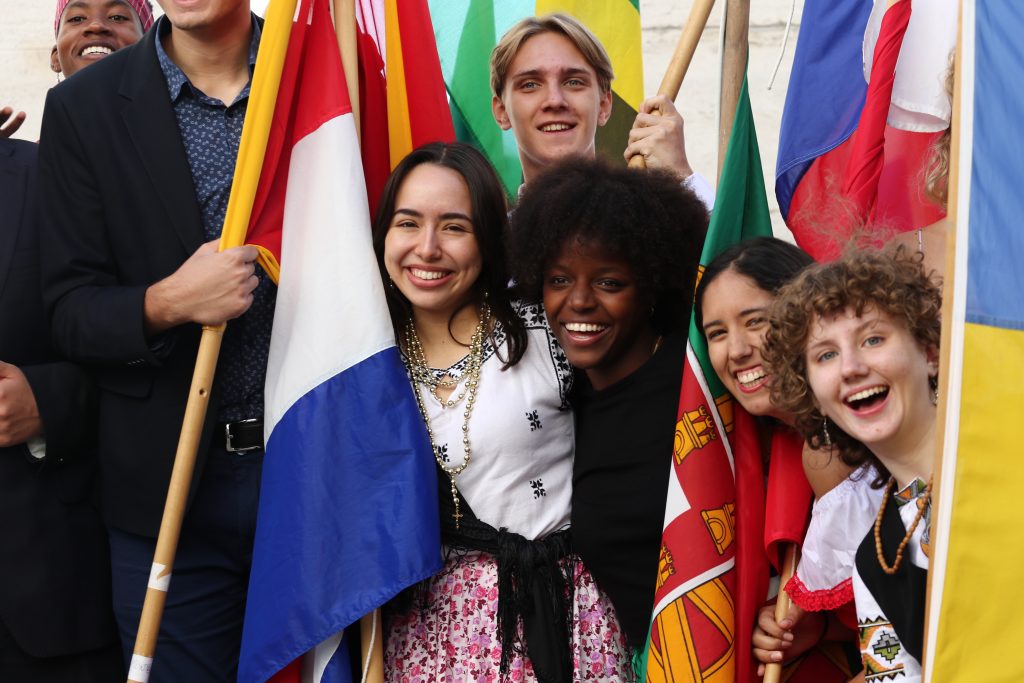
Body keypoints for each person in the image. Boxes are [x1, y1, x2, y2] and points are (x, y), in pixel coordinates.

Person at [37, 0, 270, 679]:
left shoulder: (324, 80)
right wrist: (168, 302)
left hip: (311, 467)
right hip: (164, 493)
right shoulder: (84, 109)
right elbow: (69, 309)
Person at [373, 142, 630, 682]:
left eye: (454, 227)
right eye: (408, 223)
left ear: (489, 238)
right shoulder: (363, 365)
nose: (427, 248)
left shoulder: (548, 331)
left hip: (567, 621)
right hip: (433, 642)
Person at [510, 157, 707, 662]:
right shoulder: (552, 392)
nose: (578, 301)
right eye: (558, 280)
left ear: (650, 288)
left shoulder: (695, 381)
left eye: (609, 283)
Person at [762, 248, 941, 682]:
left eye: (873, 339)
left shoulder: (1007, 456)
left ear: (930, 352)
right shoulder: (875, 561)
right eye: (825, 355)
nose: (852, 368)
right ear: (812, 394)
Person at [695, 237, 861, 679]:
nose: (737, 350)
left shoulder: (866, 427)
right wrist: (821, 625)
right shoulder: (759, 451)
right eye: (717, 334)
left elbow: (921, 606)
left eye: (755, 321)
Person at [489, 13, 714, 207]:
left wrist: (683, 179)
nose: (555, 100)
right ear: (501, 111)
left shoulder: (655, 223)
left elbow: (738, 255)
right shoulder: (488, 248)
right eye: (530, 85)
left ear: (604, 105)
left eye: (574, 82)